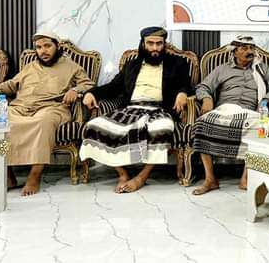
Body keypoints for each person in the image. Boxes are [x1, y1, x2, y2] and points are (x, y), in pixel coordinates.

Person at [0, 32, 94, 196]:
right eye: (39, 47)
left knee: (43, 122)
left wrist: (75, 90)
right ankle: (8, 175)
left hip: (51, 108)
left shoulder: (71, 67)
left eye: (47, 46)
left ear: (57, 46)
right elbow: (11, 85)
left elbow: (88, 84)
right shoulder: (30, 66)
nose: (43, 51)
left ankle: (35, 175)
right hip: (21, 107)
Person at [80, 26, 194, 193]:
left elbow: (187, 84)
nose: (155, 48)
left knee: (162, 128)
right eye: (150, 43)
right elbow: (113, 87)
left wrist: (183, 93)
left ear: (164, 44)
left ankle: (142, 177)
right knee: (93, 126)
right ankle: (122, 174)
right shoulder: (132, 65)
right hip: (131, 109)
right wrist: (91, 93)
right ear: (143, 44)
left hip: (159, 109)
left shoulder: (177, 63)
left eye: (159, 44)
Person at [190, 35, 269, 195]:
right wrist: (206, 99)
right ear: (234, 52)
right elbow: (203, 87)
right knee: (202, 124)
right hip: (225, 109)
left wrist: (265, 100)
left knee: (262, 126)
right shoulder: (222, 69)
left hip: (250, 112)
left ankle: (246, 178)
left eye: (251, 48)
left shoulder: (261, 68)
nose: (249, 51)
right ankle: (210, 179)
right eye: (244, 48)